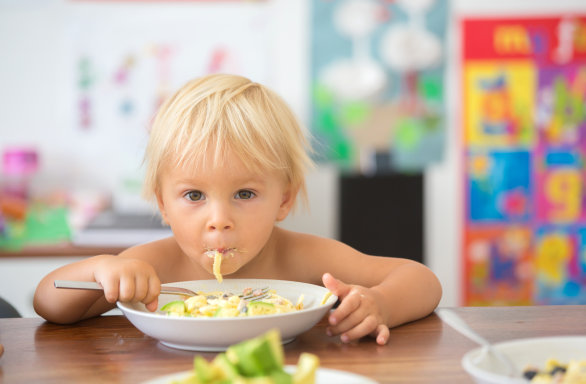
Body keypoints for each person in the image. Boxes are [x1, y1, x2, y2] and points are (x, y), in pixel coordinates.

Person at [33, 74, 442, 345]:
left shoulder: (305, 258)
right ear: (162, 202)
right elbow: (47, 303)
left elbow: (420, 279)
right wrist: (99, 269)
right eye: (194, 196)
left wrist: (382, 304)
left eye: (244, 194)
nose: (219, 219)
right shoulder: (151, 266)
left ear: (283, 199)